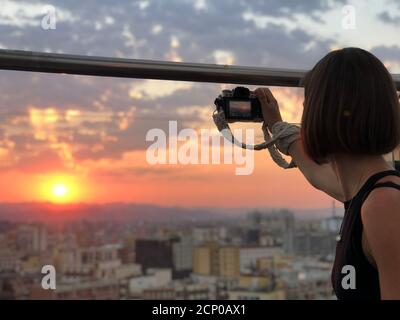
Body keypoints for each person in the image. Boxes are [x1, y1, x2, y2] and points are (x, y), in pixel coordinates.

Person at [255, 47, 400, 300]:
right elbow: (316, 174)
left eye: (307, 106)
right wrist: (277, 125)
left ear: (323, 113)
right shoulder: (364, 192)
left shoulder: (383, 204)